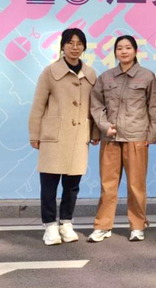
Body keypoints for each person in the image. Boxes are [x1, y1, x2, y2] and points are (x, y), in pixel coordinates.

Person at [88, 35, 156, 242]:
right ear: (115, 52)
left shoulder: (146, 76)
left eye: (128, 47)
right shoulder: (106, 77)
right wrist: (104, 127)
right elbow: (96, 105)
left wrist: (151, 135)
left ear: (135, 51)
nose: (123, 51)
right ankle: (103, 226)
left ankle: (137, 225)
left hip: (136, 137)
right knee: (108, 185)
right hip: (111, 138)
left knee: (136, 185)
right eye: (119, 48)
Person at [28, 28, 98, 246]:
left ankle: (66, 222)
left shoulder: (91, 74)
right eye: (70, 43)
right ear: (62, 46)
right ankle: (49, 225)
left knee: (72, 184)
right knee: (49, 184)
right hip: (54, 136)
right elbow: (38, 105)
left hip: (79, 136)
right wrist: (35, 133)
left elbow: (95, 107)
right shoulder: (50, 72)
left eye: (79, 43)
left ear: (84, 47)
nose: (75, 47)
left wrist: (95, 132)